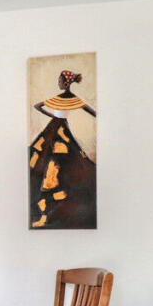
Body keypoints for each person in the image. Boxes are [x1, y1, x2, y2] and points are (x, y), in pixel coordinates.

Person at [29, 70, 97, 229]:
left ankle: (50, 193)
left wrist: (53, 117)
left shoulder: (64, 98)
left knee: (53, 159)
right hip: (58, 128)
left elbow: (37, 106)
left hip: (56, 129)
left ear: (66, 83)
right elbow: (94, 113)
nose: (58, 83)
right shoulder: (70, 98)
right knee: (52, 157)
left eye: (59, 81)